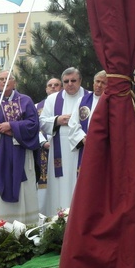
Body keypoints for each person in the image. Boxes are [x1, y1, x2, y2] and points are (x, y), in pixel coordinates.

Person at [0, 71, 40, 224]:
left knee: (25, 192)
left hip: (22, 155)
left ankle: (25, 227)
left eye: (8, 79)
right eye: (1, 79)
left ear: (15, 82)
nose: (4, 82)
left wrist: (13, 127)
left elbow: (34, 124)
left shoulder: (25, 101)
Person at [39, 67, 86, 216]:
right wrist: (57, 120)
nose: (70, 84)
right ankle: (59, 218)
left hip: (83, 148)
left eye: (73, 80)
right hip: (59, 150)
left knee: (82, 182)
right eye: (66, 81)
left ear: (80, 81)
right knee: (61, 185)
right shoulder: (53, 99)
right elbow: (42, 122)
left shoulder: (89, 98)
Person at [68, 71, 107, 172]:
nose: (99, 85)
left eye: (103, 83)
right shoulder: (82, 101)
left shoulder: (112, 102)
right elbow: (73, 124)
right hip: (86, 147)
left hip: (105, 148)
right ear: (93, 83)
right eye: (97, 81)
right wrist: (83, 138)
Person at [36, 77, 62, 212]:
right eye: (50, 85)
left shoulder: (66, 104)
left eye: (56, 85)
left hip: (62, 149)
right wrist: (43, 142)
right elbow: (35, 126)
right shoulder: (37, 107)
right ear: (46, 89)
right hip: (43, 150)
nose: (53, 87)